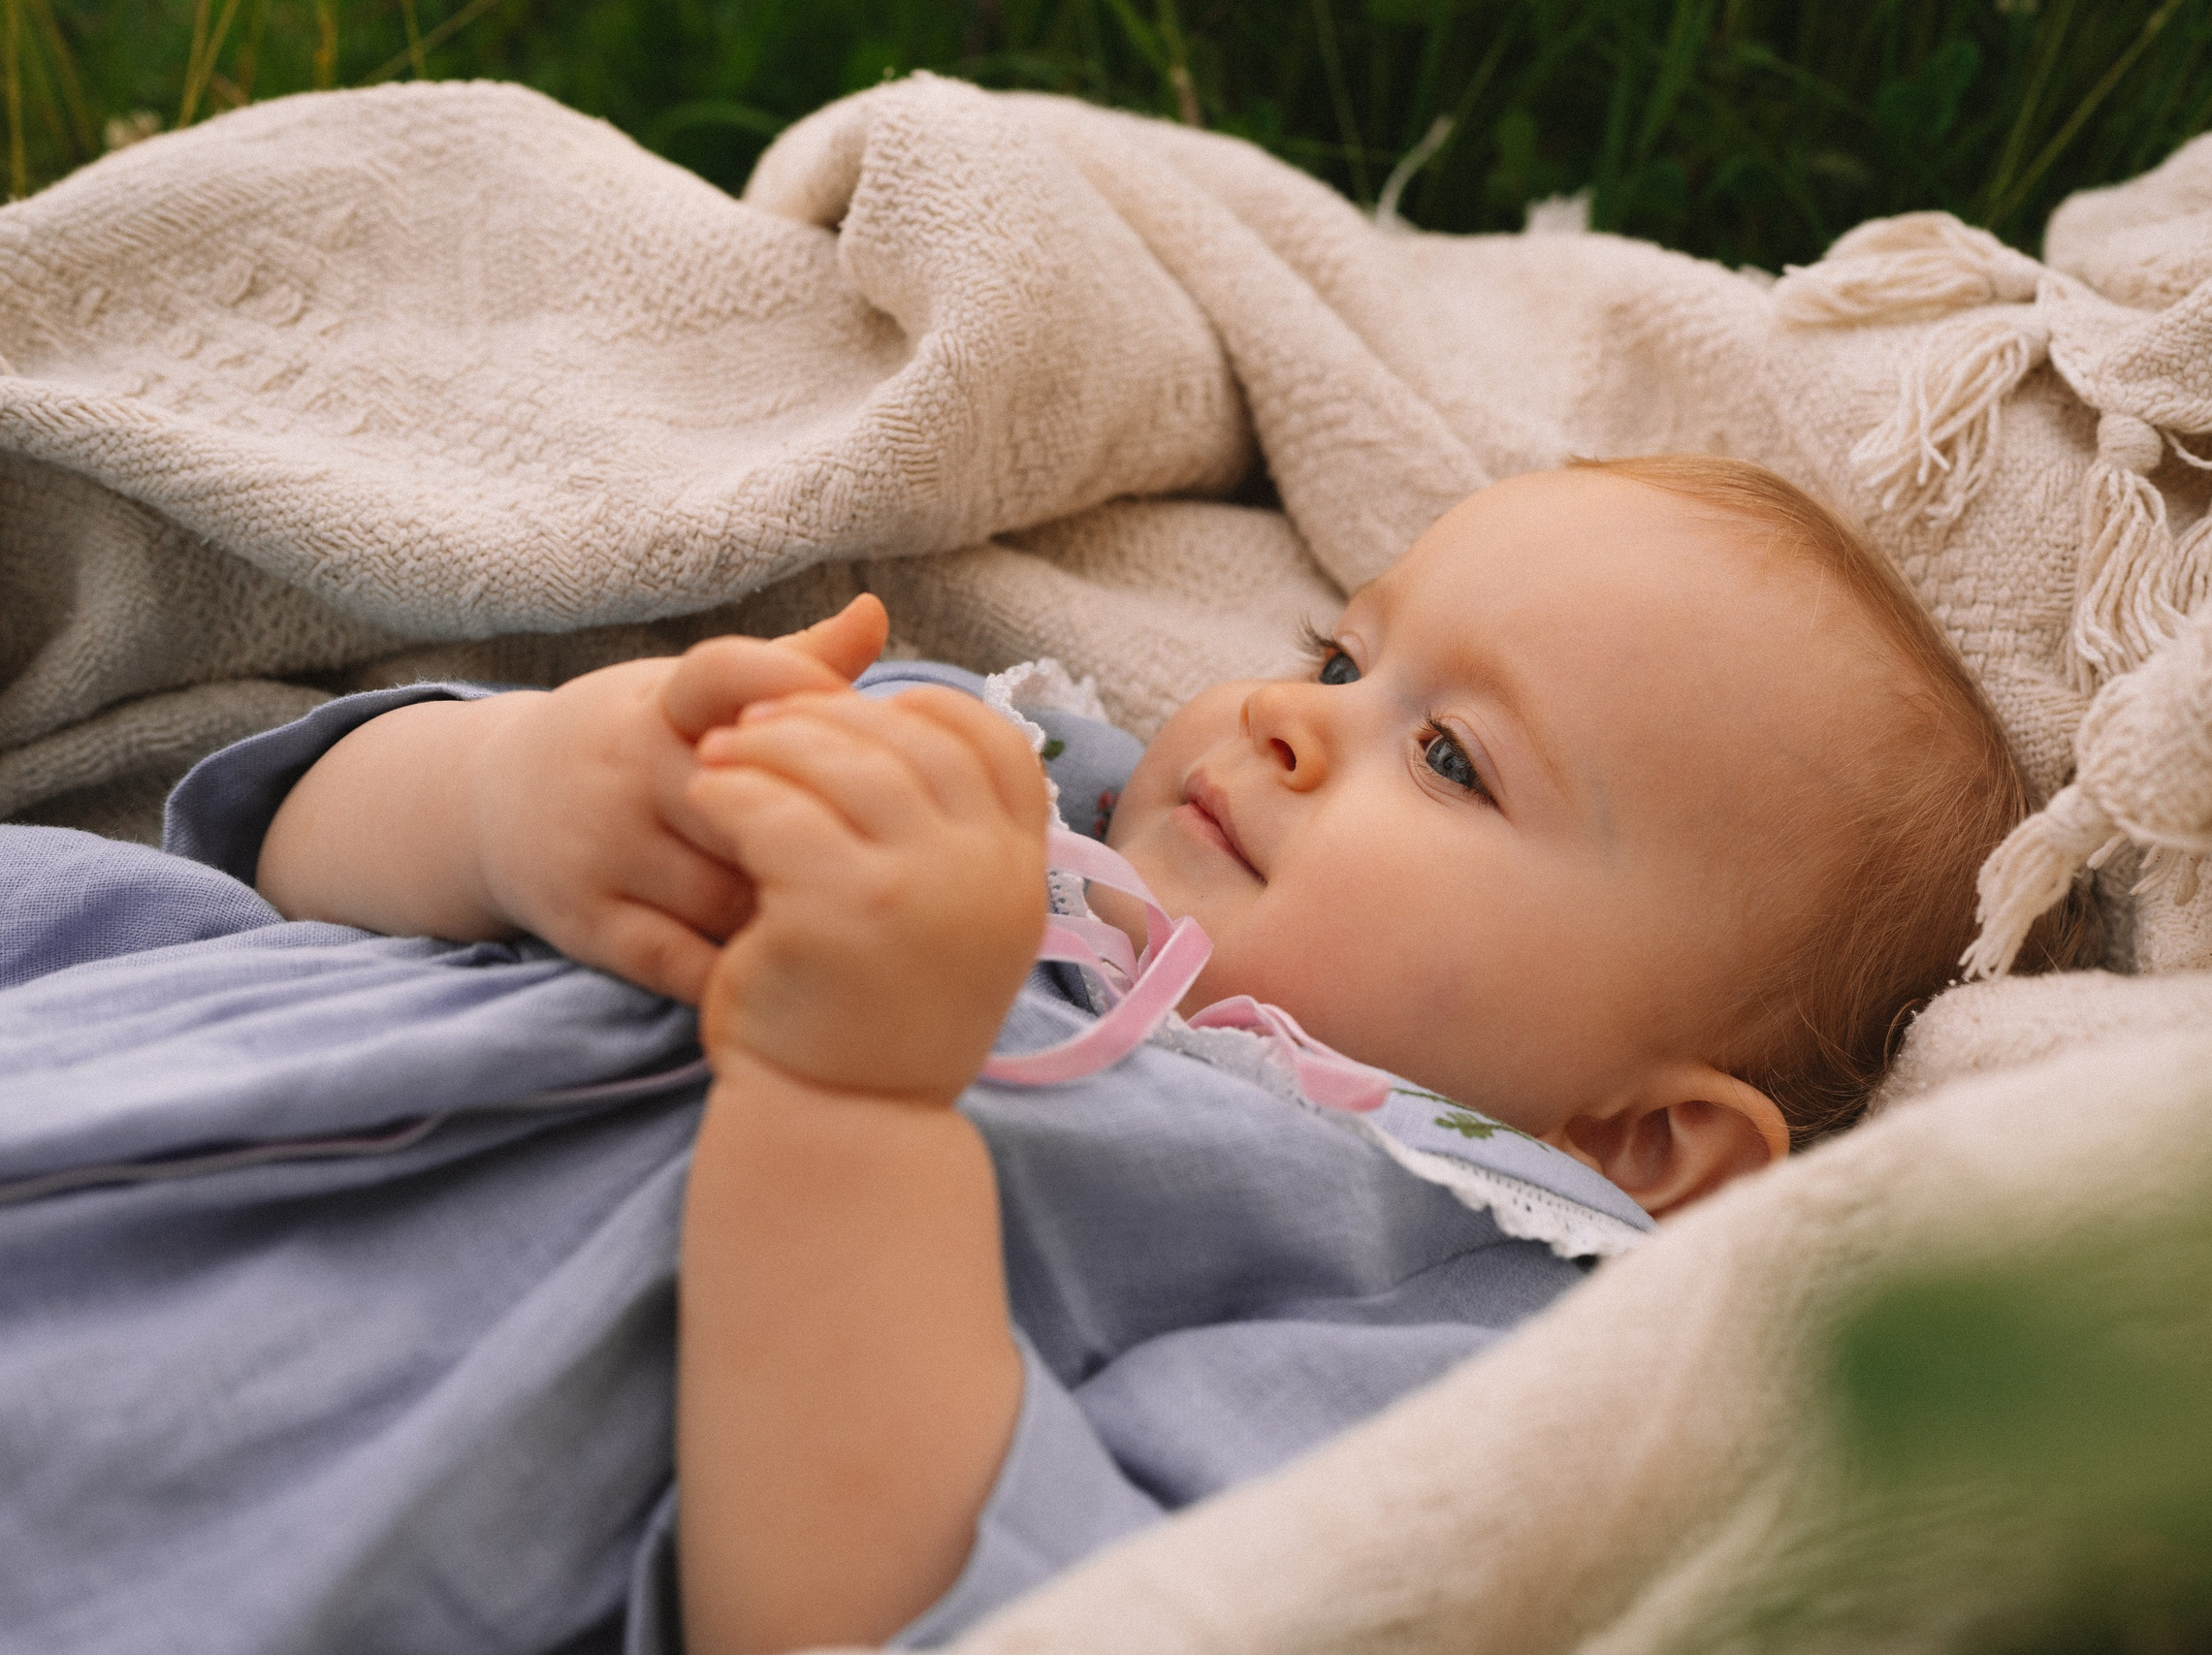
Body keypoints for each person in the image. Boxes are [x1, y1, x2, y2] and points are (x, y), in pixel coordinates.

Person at [243, 454, 2086, 1653]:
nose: (1292, 717)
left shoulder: (1428, 1303)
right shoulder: (967, 769)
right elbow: (272, 855)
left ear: (1644, 1142)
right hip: (92, 1066)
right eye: (1342, 654)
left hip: (281, 1490)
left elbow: (926, 1608)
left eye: (1450, 759)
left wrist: (854, 1106)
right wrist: (516, 795)